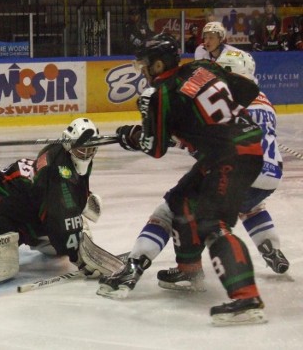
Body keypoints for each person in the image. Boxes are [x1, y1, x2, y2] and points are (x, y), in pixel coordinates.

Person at [97, 33, 267, 326]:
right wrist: (207, 125)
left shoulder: (160, 92)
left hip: (231, 157)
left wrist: (131, 136)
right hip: (232, 151)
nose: (144, 71)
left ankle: (246, 298)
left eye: (146, 65)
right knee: (178, 201)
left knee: (213, 223)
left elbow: (155, 148)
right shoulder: (203, 67)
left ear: (160, 64)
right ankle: (190, 272)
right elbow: (247, 89)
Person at [0, 118, 106, 271]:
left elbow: (72, 192)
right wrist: (79, 257)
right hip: (5, 207)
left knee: (66, 241)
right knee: (2, 254)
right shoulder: (54, 171)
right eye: (82, 149)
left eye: (91, 149)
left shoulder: (72, 159)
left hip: (33, 210)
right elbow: (58, 216)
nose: (86, 154)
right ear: (69, 145)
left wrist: (82, 203)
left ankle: (27, 234)